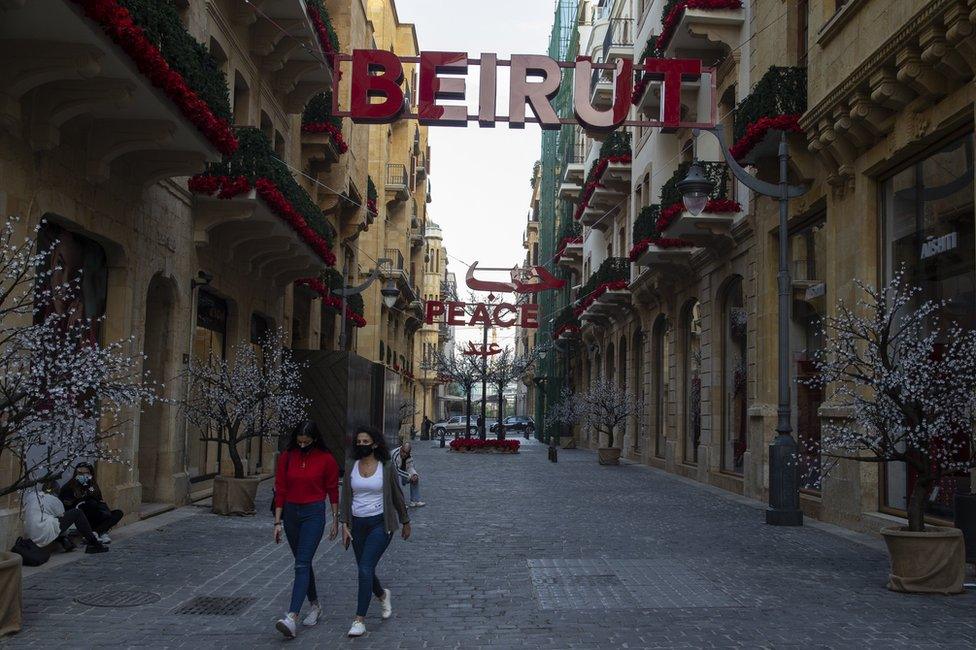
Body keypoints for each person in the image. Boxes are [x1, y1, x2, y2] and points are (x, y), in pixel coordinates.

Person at [340, 426, 410, 638]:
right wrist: (343, 523)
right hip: (357, 525)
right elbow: (345, 497)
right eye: (359, 442)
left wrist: (405, 520)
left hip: (381, 523)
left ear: (375, 444)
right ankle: (381, 594)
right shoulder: (351, 465)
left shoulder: (386, 466)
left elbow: (397, 494)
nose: (362, 445)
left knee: (365, 568)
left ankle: (359, 619)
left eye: (365, 442)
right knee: (365, 569)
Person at [273, 420, 340, 639]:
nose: (302, 445)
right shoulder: (287, 457)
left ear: (314, 440)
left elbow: (332, 490)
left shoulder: (326, 459)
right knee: (303, 562)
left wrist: (335, 520)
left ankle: (291, 616)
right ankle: (315, 605)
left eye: (306, 442)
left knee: (302, 563)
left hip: (313, 513)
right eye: (299, 441)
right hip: (292, 513)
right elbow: (280, 488)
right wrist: (277, 522)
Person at [24, 480, 108, 554]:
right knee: (77, 513)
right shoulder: (54, 500)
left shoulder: (32, 495)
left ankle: (66, 542)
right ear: (57, 491)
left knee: (53, 522)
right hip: (43, 533)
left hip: (29, 534)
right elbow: (62, 519)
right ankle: (94, 543)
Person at [59, 462, 123, 544]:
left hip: (96, 513)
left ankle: (97, 532)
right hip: (81, 515)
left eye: (87, 473)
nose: (83, 476)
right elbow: (67, 505)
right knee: (91, 504)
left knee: (118, 513)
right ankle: (99, 532)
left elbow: (99, 500)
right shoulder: (68, 487)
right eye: (80, 473)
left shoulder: (93, 486)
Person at [391, 442, 424, 508]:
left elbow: (410, 467)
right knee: (399, 478)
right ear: (401, 448)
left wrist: (414, 474)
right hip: (390, 476)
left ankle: (415, 501)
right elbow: (395, 470)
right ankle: (400, 503)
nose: (405, 454)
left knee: (415, 477)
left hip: (403, 474)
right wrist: (409, 476)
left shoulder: (409, 455)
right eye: (404, 452)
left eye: (407, 453)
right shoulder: (394, 454)